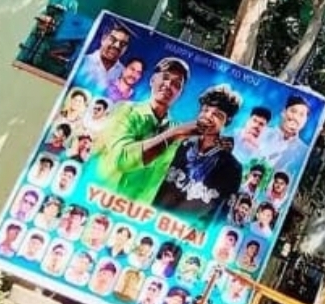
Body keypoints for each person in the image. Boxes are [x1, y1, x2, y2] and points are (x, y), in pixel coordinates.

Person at [93, 57, 196, 202]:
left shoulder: (178, 131)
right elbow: (122, 160)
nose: (168, 85)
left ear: (180, 93)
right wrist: (172, 135)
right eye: (165, 77)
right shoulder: (125, 110)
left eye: (176, 84)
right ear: (152, 80)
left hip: (137, 211)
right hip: (99, 200)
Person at [153, 84, 243, 222]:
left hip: (187, 230)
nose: (208, 117)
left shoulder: (232, 167)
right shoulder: (179, 144)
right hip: (151, 218)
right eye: (205, 110)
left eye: (217, 115)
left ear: (227, 121)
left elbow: (220, 214)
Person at [76, 23, 131, 95]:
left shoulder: (124, 73)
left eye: (123, 44)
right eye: (113, 39)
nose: (117, 46)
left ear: (126, 48)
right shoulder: (82, 62)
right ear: (103, 39)